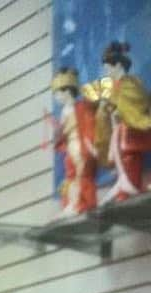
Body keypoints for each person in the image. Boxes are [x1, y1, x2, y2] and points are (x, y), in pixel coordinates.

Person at [94, 41, 151, 203]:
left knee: (129, 158)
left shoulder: (131, 84)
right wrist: (105, 109)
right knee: (120, 159)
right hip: (117, 132)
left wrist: (118, 108)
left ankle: (130, 188)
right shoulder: (114, 87)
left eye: (108, 67)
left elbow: (136, 102)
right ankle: (124, 189)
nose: (106, 71)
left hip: (130, 131)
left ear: (118, 65)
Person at [51, 67, 98, 215]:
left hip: (80, 145)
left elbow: (89, 125)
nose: (56, 96)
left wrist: (91, 144)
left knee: (81, 174)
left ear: (67, 91)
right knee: (71, 175)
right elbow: (62, 134)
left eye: (58, 92)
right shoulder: (64, 112)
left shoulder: (82, 107)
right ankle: (72, 203)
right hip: (70, 147)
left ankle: (81, 203)